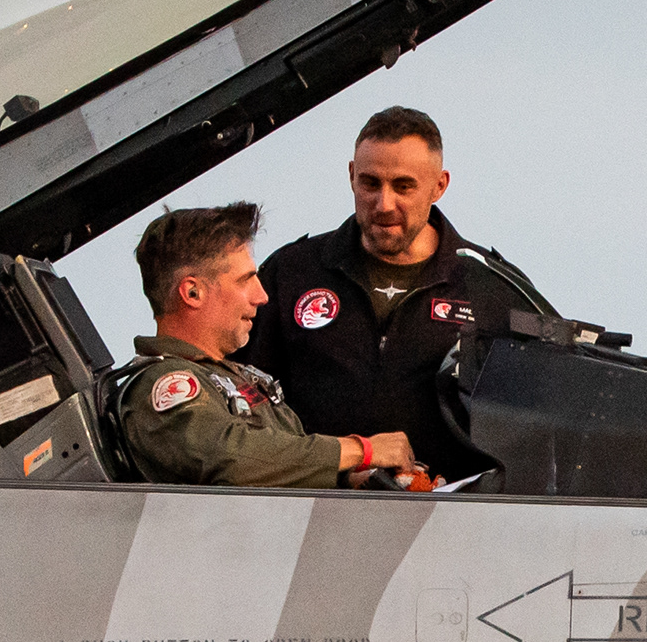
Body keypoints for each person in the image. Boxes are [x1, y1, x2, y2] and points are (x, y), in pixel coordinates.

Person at [241, 105, 556, 473]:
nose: (384, 203)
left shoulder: (494, 288)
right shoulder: (292, 273)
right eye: (370, 183)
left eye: (403, 186)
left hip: (449, 519)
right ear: (351, 176)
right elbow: (238, 399)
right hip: (309, 512)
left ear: (439, 186)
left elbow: (544, 425)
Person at [116, 203, 417, 487]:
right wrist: (361, 450)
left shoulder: (236, 377)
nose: (261, 296)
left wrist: (349, 478)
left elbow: (279, 467)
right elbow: (231, 458)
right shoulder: (163, 386)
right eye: (244, 280)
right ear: (193, 293)